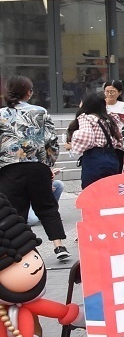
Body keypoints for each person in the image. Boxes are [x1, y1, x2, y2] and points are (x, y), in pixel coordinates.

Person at [0, 76, 70, 261]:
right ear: (29, 93)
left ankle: (23, 250)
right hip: (36, 167)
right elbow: (51, 141)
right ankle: (59, 245)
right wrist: (49, 164)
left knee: (15, 211)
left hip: (9, 168)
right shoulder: (40, 112)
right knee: (47, 207)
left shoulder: (1, 115)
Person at [70, 91, 124, 188]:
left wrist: (74, 140)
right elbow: (121, 138)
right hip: (113, 157)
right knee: (111, 190)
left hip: (94, 159)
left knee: (92, 191)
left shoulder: (87, 118)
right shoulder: (111, 118)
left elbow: (86, 137)